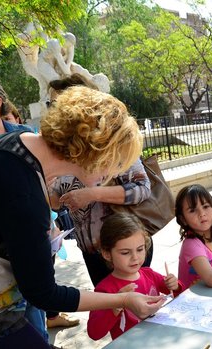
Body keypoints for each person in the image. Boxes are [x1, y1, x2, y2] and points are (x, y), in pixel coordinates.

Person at [0, 86, 166, 348]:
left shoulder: (11, 146)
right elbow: (43, 293)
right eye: (115, 161)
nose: (112, 172)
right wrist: (122, 300)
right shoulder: (21, 191)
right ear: (93, 151)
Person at [49, 75, 153, 289]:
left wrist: (92, 194)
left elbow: (142, 188)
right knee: (109, 310)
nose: (53, 111)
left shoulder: (113, 141)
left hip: (126, 249)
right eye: (51, 104)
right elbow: (55, 200)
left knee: (136, 311)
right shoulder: (58, 151)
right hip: (91, 250)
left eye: (59, 104)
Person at [87, 213, 183, 341]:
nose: (135, 257)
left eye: (140, 249)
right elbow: (94, 333)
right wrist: (116, 304)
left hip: (158, 340)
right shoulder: (105, 289)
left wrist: (175, 286)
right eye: (125, 252)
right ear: (107, 254)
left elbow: (181, 297)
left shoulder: (149, 274)